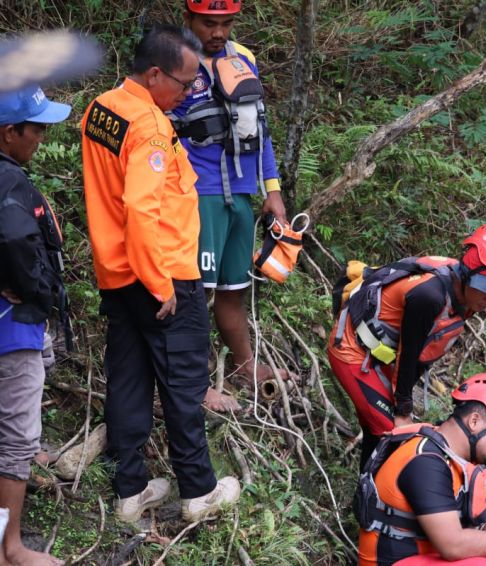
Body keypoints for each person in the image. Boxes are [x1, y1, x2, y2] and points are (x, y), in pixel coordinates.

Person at [80, 24, 239, 524]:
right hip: (161, 275)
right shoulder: (148, 126)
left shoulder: (101, 108)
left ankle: (131, 492)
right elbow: (141, 209)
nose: (191, 92)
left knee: (127, 380)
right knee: (184, 384)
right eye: (185, 82)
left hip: (117, 274)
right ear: (154, 74)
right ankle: (198, 491)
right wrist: (161, 283)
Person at [329, 223, 486, 471]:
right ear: (468, 271)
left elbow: (421, 352)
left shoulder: (467, 297)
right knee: (392, 434)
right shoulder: (430, 295)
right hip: (353, 351)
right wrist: (403, 411)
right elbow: (409, 353)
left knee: (380, 429)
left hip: (382, 358)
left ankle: (365, 492)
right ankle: (374, 500)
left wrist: (400, 405)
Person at [172, 0, 288, 411]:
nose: (217, 32)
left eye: (225, 23)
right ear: (189, 19)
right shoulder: (173, 63)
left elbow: (262, 128)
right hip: (198, 193)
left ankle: (244, 367)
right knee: (194, 294)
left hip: (241, 192)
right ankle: (194, 383)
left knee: (233, 289)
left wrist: (271, 189)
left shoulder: (244, 60)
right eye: (209, 23)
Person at [356, 373, 486, 565]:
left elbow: (474, 527)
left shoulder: (452, 458)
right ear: (474, 421)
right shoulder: (425, 462)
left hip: (428, 557)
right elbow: (453, 545)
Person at [0, 84, 69, 566]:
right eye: (37, 128)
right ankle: (9, 549)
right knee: (16, 438)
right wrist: (38, 292)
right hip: (12, 328)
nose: (41, 137)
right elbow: (16, 241)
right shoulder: (10, 186)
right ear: (9, 133)